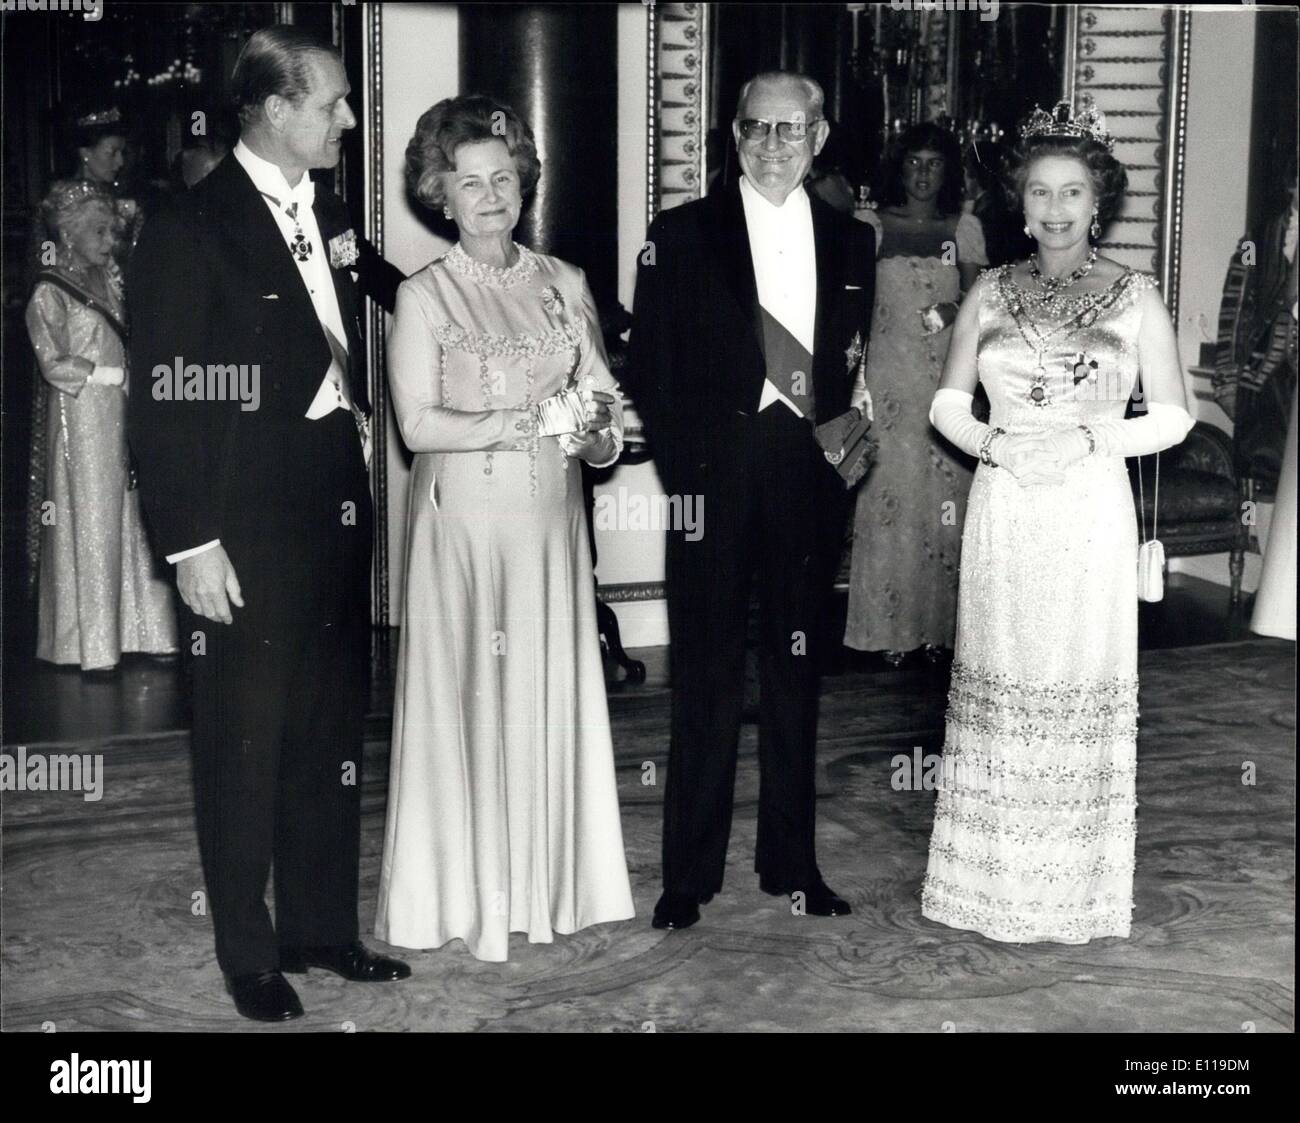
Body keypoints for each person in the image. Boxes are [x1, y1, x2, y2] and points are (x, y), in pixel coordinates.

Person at [127, 25, 408, 1022]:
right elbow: (161, 398)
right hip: (239, 526)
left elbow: (389, 289)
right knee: (245, 740)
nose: (346, 119)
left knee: (329, 726)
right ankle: (249, 952)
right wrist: (190, 542)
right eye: (332, 103)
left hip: (334, 502)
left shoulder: (324, 205)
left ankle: (322, 928)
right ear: (273, 110)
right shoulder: (189, 227)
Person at [921, 102, 1194, 943]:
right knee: (1007, 680)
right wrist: (1000, 446)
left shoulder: (1136, 294)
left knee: (1076, 681)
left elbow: (1175, 417)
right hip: (1007, 506)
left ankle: (1074, 887)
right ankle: (994, 881)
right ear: (1021, 202)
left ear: (1098, 200)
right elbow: (945, 406)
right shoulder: (991, 289)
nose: (1055, 208)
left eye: (1072, 191)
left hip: (1088, 508)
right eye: (1040, 191)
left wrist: (1083, 436)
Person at [374, 95, 635, 962]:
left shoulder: (565, 282)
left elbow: (599, 401)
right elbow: (418, 426)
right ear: (440, 194)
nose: (491, 196)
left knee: (543, 693)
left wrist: (600, 436)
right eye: (471, 182)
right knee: (474, 701)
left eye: (505, 179)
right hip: (466, 530)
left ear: (524, 184)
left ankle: (549, 886)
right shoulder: (424, 294)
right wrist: (524, 418)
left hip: (550, 528)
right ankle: (468, 895)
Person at [625, 70, 875, 931]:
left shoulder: (853, 241)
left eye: (790, 129)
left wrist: (842, 448)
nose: (773, 144)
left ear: (819, 136)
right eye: (756, 129)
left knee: (797, 672)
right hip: (713, 475)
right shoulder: (681, 233)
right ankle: (687, 875)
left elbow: (847, 366)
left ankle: (792, 863)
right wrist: (689, 467)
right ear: (733, 137)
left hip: (806, 475)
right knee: (706, 672)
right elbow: (650, 369)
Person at [844, 123, 986, 665]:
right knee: (889, 501)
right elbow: (849, 307)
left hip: (947, 382)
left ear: (948, 170)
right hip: (888, 379)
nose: (923, 174)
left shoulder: (962, 228)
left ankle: (941, 633)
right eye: (914, 162)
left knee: (948, 503)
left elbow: (982, 301)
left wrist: (951, 309)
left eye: (934, 163)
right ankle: (889, 632)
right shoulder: (872, 226)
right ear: (898, 168)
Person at [25, 180, 177, 672]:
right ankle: (92, 645)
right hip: (82, 417)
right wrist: (100, 373)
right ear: (68, 235)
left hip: (123, 410)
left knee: (132, 512)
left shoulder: (109, 281)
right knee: (91, 518)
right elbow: (52, 359)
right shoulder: (51, 289)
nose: (108, 240)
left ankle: (146, 629)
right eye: (98, 231)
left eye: (110, 232)